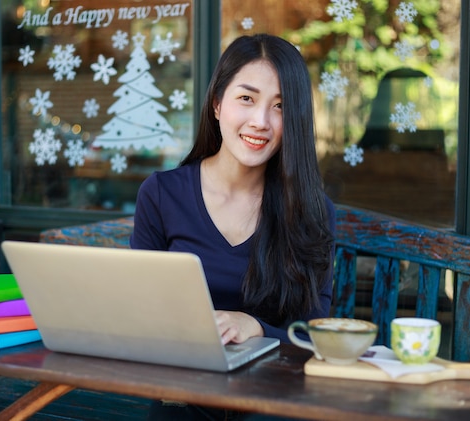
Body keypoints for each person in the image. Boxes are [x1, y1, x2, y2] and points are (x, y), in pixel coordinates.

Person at [130, 33, 336, 420]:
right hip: (183, 393)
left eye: (280, 106)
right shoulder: (161, 194)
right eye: (247, 98)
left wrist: (256, 327)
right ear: (216, 103)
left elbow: (316, 335)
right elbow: (143, 315)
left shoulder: (311, 210)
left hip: (276, 399)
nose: (261, 121)